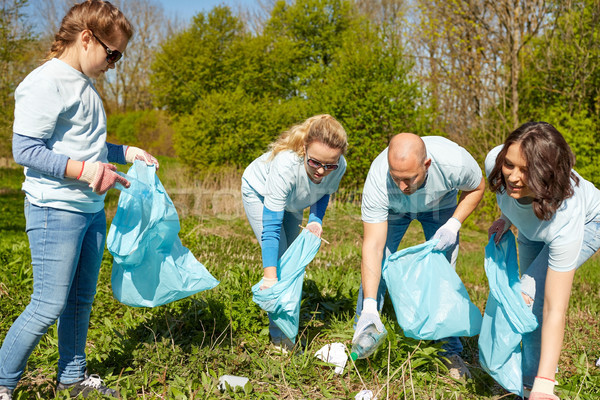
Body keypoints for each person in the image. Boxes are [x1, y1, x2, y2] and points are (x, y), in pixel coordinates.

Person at [0, 1, 158, 399]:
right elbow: (26, 150)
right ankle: (3, 383)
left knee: (81, 299)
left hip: (90, 211)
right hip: (55, 209)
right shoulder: (45, 82)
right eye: (113, 53)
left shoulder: (84, 86)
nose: (115, 63)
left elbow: (85, 144)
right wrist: (87, 172)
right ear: (87, 39)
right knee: (48, 303)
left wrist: (125, 152)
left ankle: (72, 378)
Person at [354, 133, 485, 378]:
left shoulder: (454, 162)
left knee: (442, 272)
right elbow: (372, 245)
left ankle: (448, 349)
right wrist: (370, 306)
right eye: (397, 178)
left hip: (439, 206)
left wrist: (453, 224)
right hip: (395, 210)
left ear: (427, 165)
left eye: (410, 178)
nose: (403, 186)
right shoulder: (378, 177)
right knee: (380, 260)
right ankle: (365, 327)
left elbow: (478, 187)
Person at [485, 122, 600, 400]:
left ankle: (542, 382)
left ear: (546, 174)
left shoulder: (567, 217)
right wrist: (506, 218)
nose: (512, 177)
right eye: (510, 165)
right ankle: (528, 380)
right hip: (532, 229)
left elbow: (554, 308)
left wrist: (546, 386)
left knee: (528, 295)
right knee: (529, 308)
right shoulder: (495, 160)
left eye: (526, 171)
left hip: (587, 224)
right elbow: (509, 194)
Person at [241, 114, 348, 350]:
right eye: (315, 163)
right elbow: (271, 228)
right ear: (304, 148)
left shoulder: (338, 166)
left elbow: (325, 190)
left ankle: (286, 325)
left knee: (291, 261)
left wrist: (315, 220)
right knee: (279, 261)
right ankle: (281, 339)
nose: (322, 171)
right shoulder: (286, 164)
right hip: (260, 193)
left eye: (330, 165)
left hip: (293, 202)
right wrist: (270, 277)